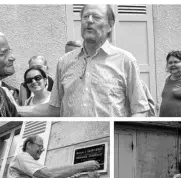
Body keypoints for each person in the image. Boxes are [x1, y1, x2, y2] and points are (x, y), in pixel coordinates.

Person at [18, 4, 149, 117]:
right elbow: (54, 108)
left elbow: (140, 110)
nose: (89, 21)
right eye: (85, 17)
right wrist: (16, 109)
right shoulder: (64, 62)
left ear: (110, 25)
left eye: (96, 17)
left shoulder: (125, 61)